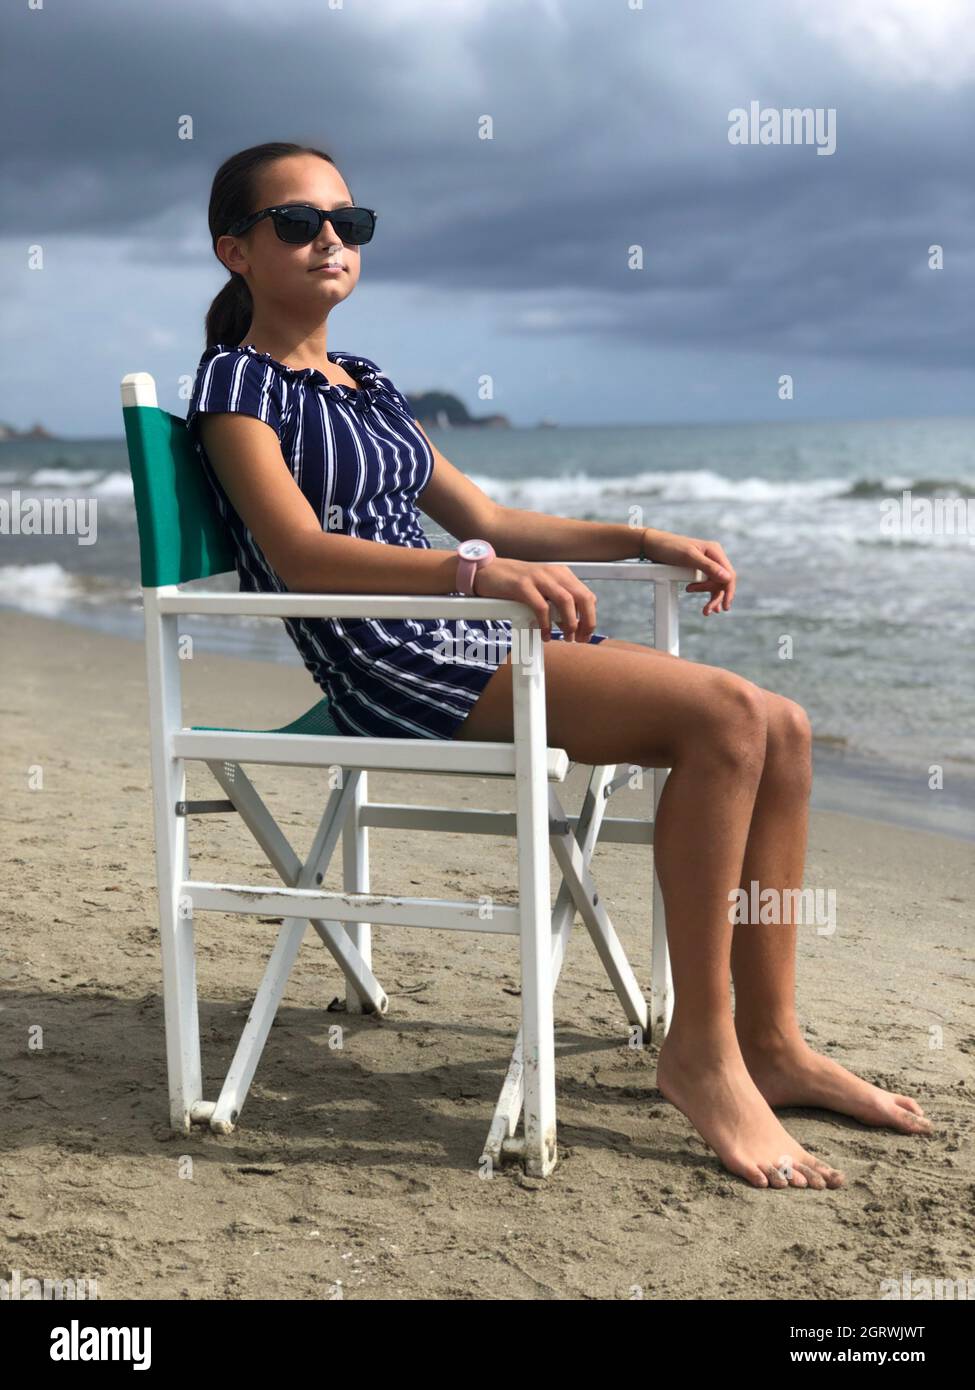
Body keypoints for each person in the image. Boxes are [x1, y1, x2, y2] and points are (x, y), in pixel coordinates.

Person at [186, 140, 932, 1190]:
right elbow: (303, 554)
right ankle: (702, 1052)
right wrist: (474, 577)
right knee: (722, 717)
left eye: (348, 224)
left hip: (467, 629)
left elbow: (487, 516)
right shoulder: (233, 386)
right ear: (236, 251)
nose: (329, 242)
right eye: (298, 224)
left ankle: (774, 1040)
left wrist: (639, 539)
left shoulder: (363, 380)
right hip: (389, 654)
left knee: (786, 725)